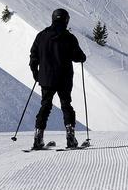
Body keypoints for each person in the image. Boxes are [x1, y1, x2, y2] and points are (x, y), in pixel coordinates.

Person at [29, 8, 86, 149]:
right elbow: (78, 56)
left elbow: (33, 56)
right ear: (66, 20)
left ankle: (38, 137)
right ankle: (70, 138)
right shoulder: (69, 37)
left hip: (46, 78)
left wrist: (35, 73)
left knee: (45, 106)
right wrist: (82, 57)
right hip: (64, 78)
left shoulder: (41, 36)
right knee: (66, 105)